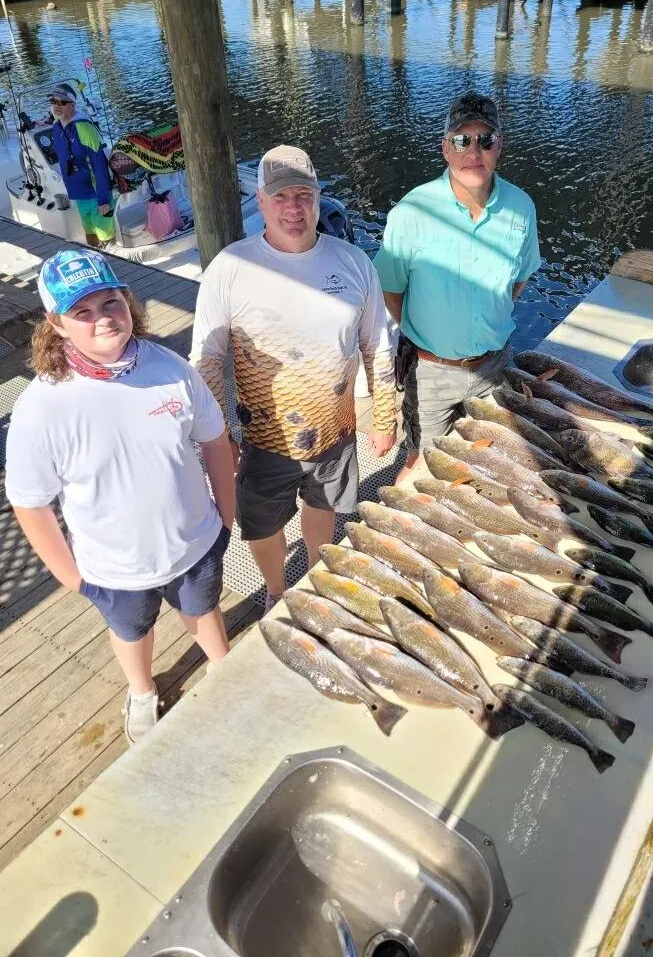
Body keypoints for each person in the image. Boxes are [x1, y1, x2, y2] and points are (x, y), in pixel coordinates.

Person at [5, 249, 236, 744]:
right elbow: (29, 502)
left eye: (110, 303)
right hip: (113, 568)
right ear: (57, 325)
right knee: (132, 631)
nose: (102, 319)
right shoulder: (39, 408)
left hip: (195, 542)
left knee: (204, 609)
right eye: (82, 313)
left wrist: (225, 517)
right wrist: (69, 575)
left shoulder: (171, 366)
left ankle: (224, 668)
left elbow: (215, 439)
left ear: (128, 302)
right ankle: (142, 689)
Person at [190, 145, 397, 612]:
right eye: (280, 196)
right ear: (260, 201)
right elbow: (207, 361)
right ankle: (277, 589)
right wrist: (219, 438)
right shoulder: (229, 269)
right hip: (265, 439)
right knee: (262, 526)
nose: (293, 207)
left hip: (338, 433)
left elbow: (378, 346)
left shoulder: (353, 263)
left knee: (323, 512)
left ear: (318, 199)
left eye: (303, 194)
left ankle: (314, 583)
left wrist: (384, 418)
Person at [374, 91, 541, 480]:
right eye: (462, 140)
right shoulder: (412, 211)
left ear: (499, 146)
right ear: (445, 148)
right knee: (423, 468)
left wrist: (487, 317)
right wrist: (428, 340)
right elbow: (390, 289)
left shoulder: (522, 207)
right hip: (430, 371)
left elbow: (521, 277)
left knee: (491, 462)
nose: (474, 150)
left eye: (485, 139)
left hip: (494, 366)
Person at [48, 82, 115, 249]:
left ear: (73, 105)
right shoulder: (57, 127)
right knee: (91, 235)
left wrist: (104, 199)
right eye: (53, 101)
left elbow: (100, 165)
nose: (57, 106)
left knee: (106, 238)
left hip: (96, 195)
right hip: (79, 194)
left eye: (62, 102)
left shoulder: (84, 129)